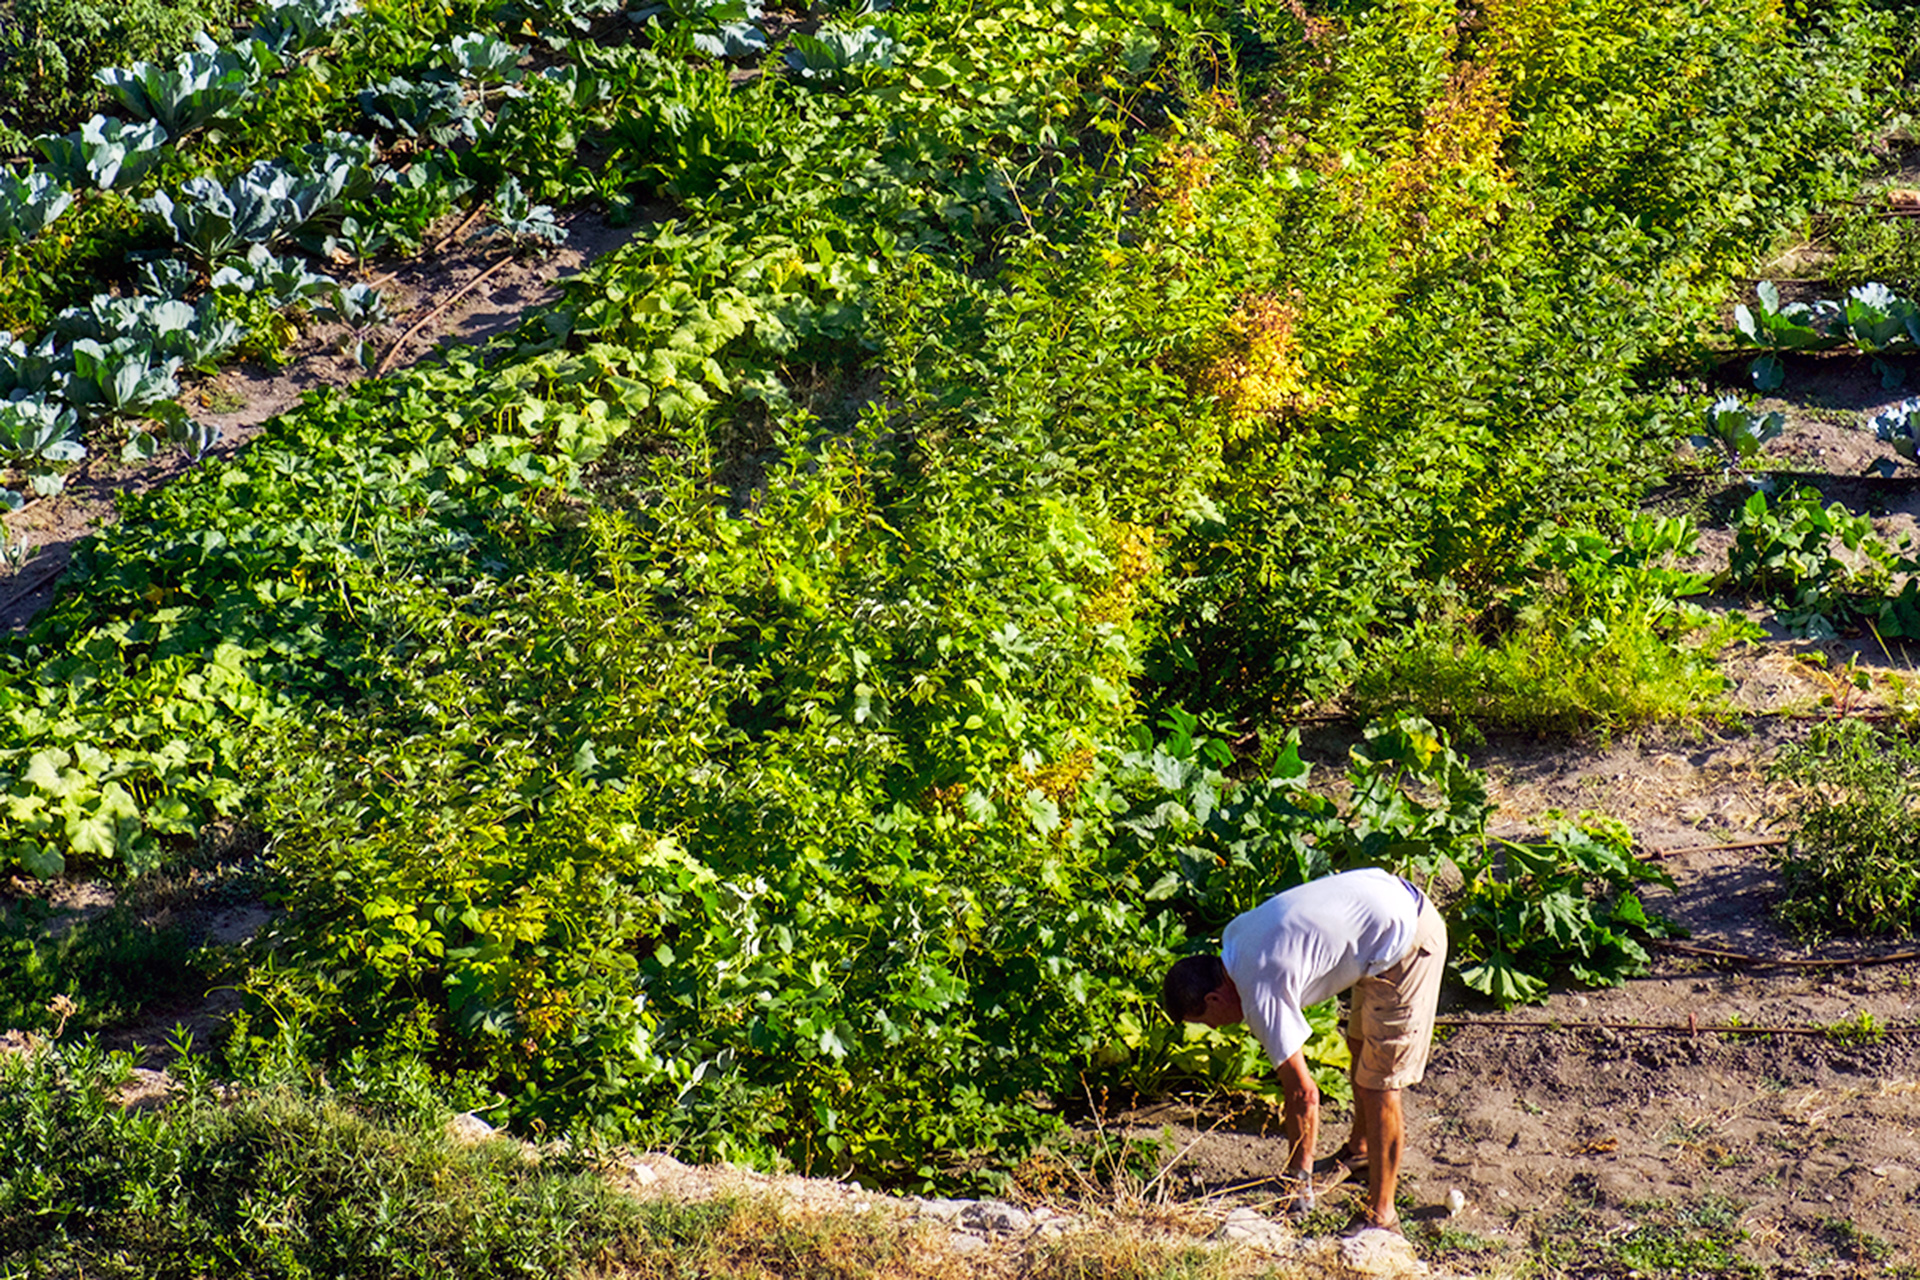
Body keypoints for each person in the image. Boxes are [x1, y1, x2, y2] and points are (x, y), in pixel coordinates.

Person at [1161, 867, 1447, 1235]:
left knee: (1381, 1084)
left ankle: (1382, 1216)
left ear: (1214, 998)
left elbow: (1303, 1093)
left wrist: (1298, 1176)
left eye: (1207, 1021)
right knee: (1359, 1047)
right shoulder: (1234, 941)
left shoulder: (1257, 986)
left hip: (1407, 940)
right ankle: (1360, 1150)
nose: (1216, 1028)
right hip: (1379, 910)